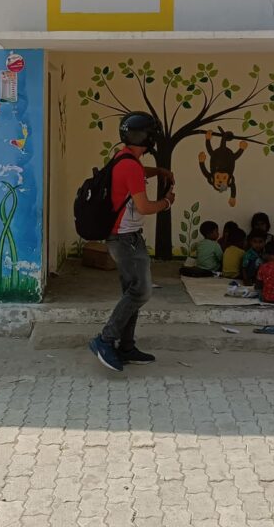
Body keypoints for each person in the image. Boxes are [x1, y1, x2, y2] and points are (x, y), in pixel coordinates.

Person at [88, 112, 175, 373]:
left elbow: (133, 174)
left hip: (122, 237)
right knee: (141, 291)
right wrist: (167, 202)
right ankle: (105, 340)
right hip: (126, 239)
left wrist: (157, 171)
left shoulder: (123, 158)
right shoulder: (131, 166)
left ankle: (126, 347)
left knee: (132, 292)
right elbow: (145, 206)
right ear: (146, 137)